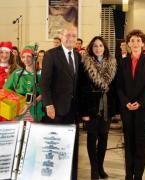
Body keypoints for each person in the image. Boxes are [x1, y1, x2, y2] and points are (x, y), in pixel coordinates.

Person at [41, 25, 80, 180]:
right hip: (55, 110)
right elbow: (44, 83)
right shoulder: (51, 55)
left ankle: (69, 175)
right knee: (55, 146)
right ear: (62, 36)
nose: (70, 38)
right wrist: (48, 105)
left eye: (74, 35)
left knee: (69, 146)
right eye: (67, 35)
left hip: (72, 111)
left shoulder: (77, 55)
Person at [116, 29, 145, 180]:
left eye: (138, 41)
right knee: (128, 142)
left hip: (143, 108)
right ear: (128, 44)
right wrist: (126, 102)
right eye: (132, 41)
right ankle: (129, 175)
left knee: (140, 143)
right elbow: (118, 86)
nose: (135, 43)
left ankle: (138, 176)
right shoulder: (123, 61)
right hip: (126, 108)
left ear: (143, 43)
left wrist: (139, 102)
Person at [78, 36, 117, 179]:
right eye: (95, 46)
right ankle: (94, 169)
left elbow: (115, 88)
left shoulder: (112, 63)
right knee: (91, 138)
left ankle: (100, 167)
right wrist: (84, 112)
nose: (98, 48)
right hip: (91, 108)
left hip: (107, 108)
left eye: (100, 45)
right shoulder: (85, 63)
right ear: (91, 48)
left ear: (105, 47)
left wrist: (115, 109)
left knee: (104, 139)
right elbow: (80, 90)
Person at [4, 45, 44, 122]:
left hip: (35, 112)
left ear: (34, 57)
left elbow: (45, 93)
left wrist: (30, 104)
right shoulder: (16, 73)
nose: (26, 59)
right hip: (18, 112)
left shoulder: (41, 74)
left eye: (28, 56)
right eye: (23, 57)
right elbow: (6, 90)